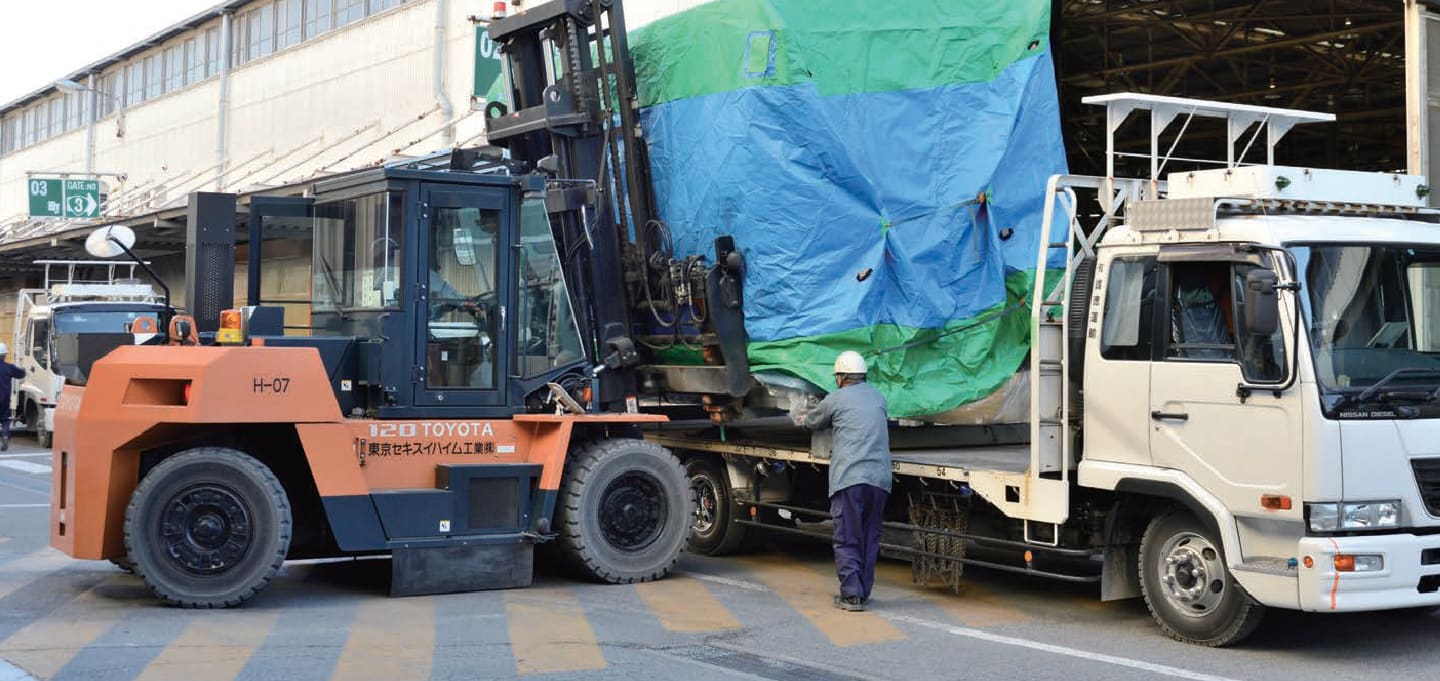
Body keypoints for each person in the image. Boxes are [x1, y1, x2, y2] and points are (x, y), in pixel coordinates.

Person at [796, 350, 892, 612]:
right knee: (869, 537)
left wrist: (802, 417)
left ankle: (851, 595)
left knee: (848, 537)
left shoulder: (835, 399)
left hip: (850, 478)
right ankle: (863, 591)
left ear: (840, 377)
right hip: (880, 480)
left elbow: (812, 422)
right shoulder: (878, 397)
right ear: (863, 375)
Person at [0, 343, 26, 451]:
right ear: (5, 355)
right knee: (5, 419)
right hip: (4, 398)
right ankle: (5, 435)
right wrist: (24, 369)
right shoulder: (8, 367)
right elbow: (21, 374)